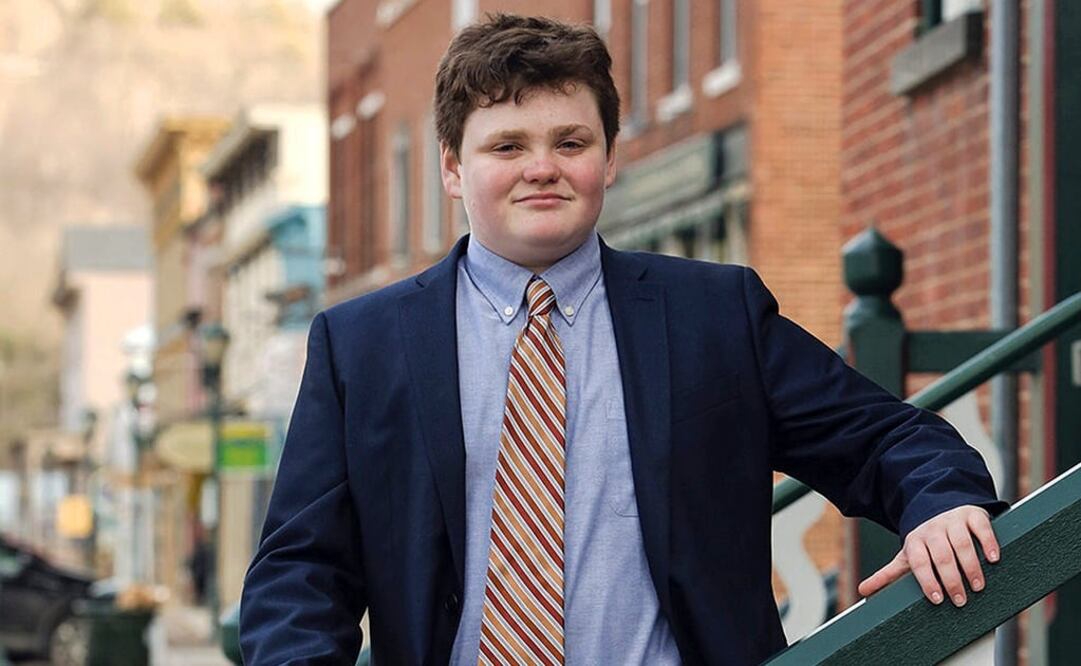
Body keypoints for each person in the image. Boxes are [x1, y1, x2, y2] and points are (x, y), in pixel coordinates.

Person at [240, 13, 1006, 665]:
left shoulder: (713, 315)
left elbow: (880, 439)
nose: (542, 169)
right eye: (507, 147)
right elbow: (303, 568)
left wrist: (939, 501)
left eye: (570, 142)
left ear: (609, 156)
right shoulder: (361, 345)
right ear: (451, 167)